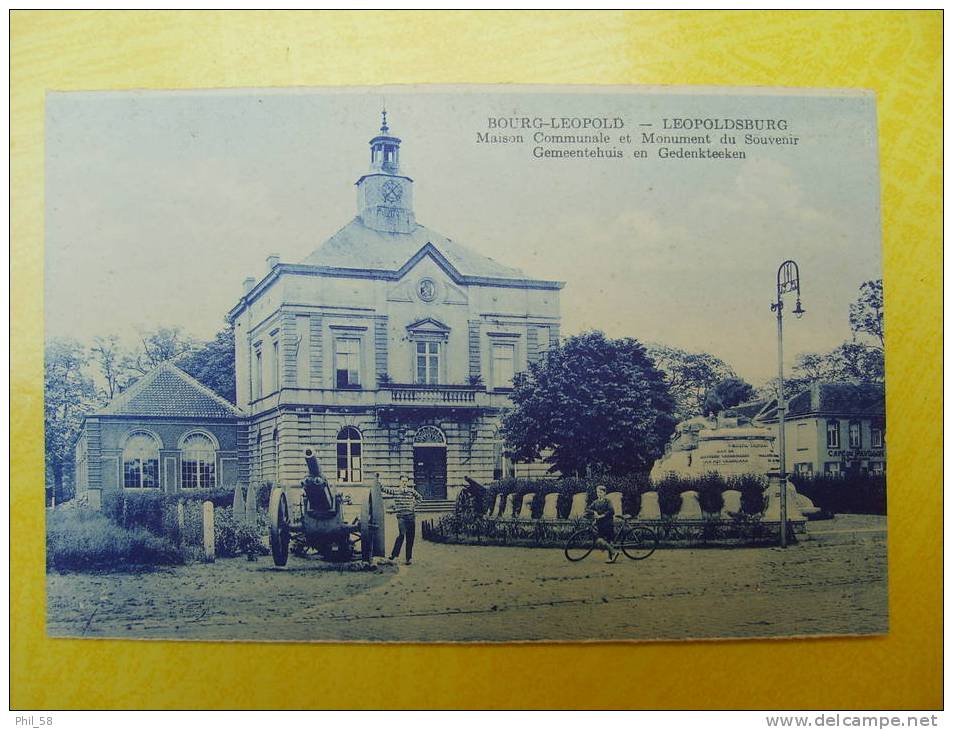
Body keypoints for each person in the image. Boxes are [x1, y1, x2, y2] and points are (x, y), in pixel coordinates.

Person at [381, 475, 423, 564]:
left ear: (407, 482)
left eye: (406, 481)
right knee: (401, 535)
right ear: (400, 482)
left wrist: (413, 505)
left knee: (410, 538)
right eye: (403, 481)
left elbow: (420, 498)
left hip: (411, 516)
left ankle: (408, 558)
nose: (404, 483)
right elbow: (385, 490)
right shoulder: (396, 491)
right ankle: (393, 555)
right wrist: (379, 484)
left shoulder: (411, 491)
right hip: (401, 517)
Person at [588, 485, 619, 563]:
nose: (599, 494)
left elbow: (611, 511)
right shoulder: (595, 502)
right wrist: (594, 512)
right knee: (602, 541)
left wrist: (601, 516)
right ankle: (612, 555)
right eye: (598, 492)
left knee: (602, 540)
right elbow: (588, 509)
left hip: (607, 523)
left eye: (601, 492)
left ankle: (613, 554)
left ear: (605, 493)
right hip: (600, 524)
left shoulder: (607, 501)